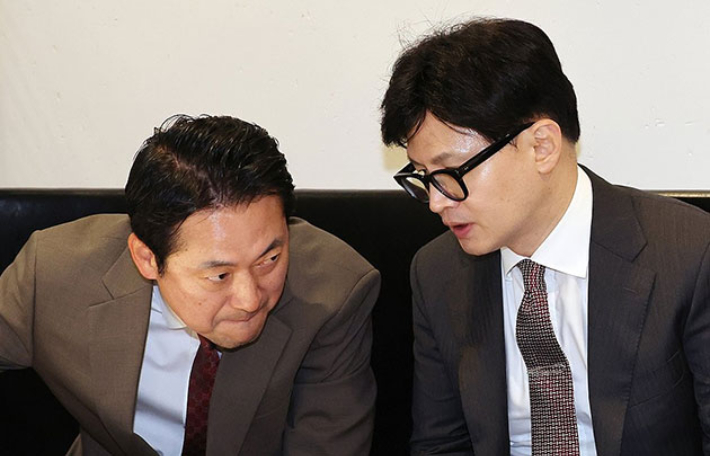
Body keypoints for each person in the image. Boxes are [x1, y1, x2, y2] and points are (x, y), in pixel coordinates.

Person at [381, 17, 710, 455]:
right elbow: (442, 444)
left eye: (451, 172)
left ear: (542, 147)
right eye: (424, 176)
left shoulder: (688, 255)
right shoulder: (437, 272)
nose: (437, 202)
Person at [0, 115, 380, 455]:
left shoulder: (334, 292)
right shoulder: (55, 274)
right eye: (219, 275)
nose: (250, 299)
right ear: (148, 259)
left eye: (269, 260)